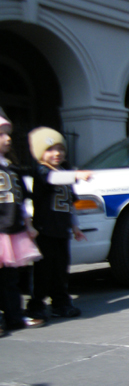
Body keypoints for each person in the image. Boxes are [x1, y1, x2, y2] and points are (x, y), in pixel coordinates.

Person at [25, 127, 90, 320]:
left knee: (61, 269)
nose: (57, 153)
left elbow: (70, 204)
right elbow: (53, 178)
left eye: (60, 148)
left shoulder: (65, 172)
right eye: (50, 149)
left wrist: (75, 226)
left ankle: (61, 302)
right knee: (43, 271)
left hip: (62, 231)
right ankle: (36, 304)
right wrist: (76, 175)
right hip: (44, 231)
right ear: (39, 153)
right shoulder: (41, 170)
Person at [0, 116, 44, 334]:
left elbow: (22, 201)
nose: (7, 138)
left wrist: (28, 224)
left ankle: (14, 316)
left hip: (12, 231)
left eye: (7, 133)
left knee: (11, 279)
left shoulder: (12, 170)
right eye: (1, 134)